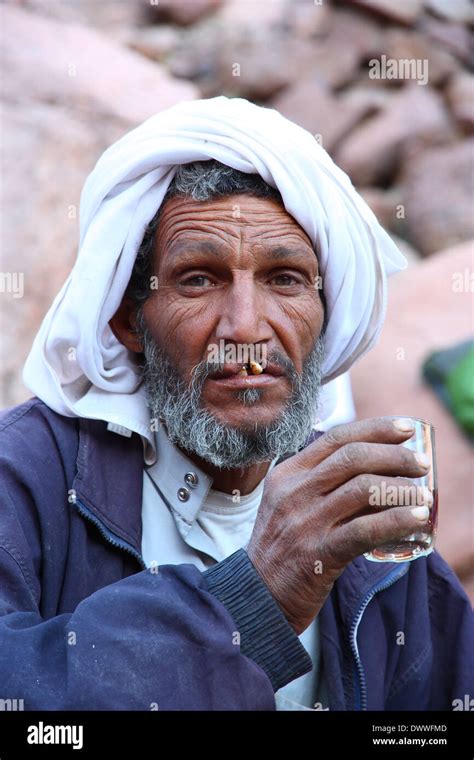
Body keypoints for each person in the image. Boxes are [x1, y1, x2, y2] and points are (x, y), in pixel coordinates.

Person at [1, 97, 472, 711]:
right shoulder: (26, 478)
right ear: (126, 319)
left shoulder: (359, 515)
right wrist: (255, 601)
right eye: (199, 279)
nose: (247, 327)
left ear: (325, 319)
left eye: (285, 279)